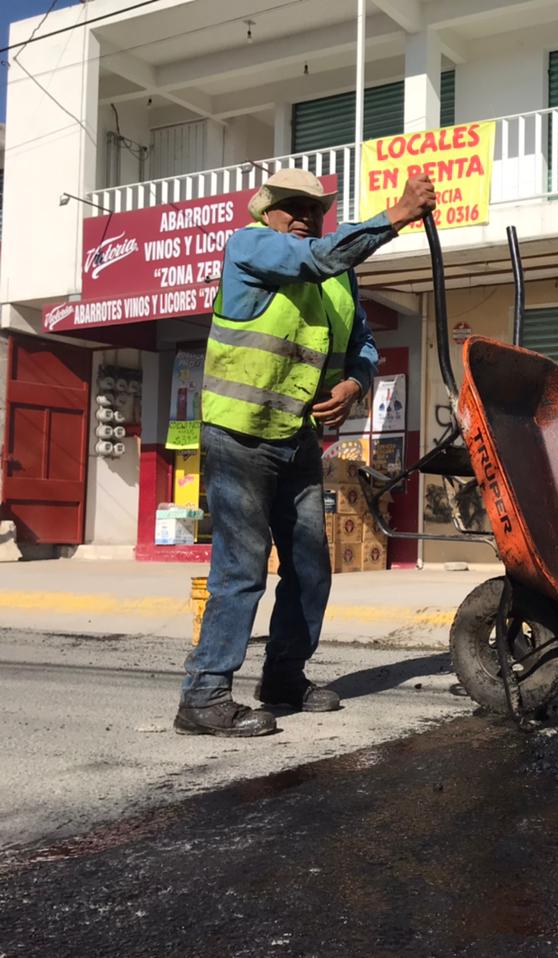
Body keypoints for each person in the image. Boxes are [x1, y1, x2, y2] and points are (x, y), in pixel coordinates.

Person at [175, 169, 437, 737]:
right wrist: (394, 217)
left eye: (313, 209)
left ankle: (283, 678)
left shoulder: (340, 278)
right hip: (239, 433)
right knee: (241, 567)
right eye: (290, 206)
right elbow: (315, 259)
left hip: (294, 438)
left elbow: (362, 342)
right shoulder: (250, 245)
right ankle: (203, 696)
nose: (302, 215)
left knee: (310, 566)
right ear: (266, 211)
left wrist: (354, 385)